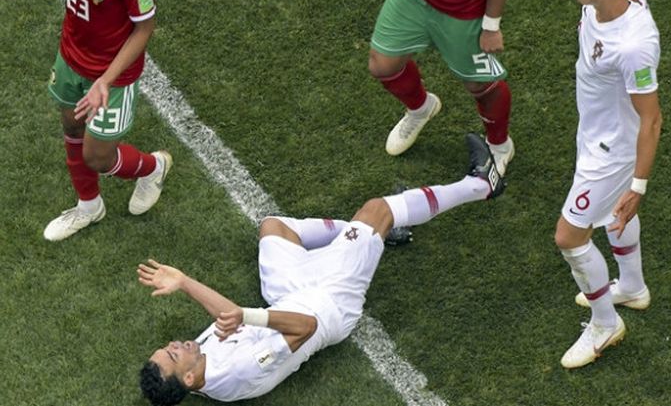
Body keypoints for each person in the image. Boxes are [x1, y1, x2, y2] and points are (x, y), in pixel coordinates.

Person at [137, 133, 504, 405]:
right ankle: (481, 183)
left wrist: (185, 282)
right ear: (186, 377)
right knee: (378, 209)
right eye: (171, 354)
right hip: (327, 306)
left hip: (289, 297)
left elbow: (228, 318)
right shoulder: (240, 373)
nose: (172, 344)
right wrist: (249, 314)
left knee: (273, 227)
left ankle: (368, 234)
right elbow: (305, 327)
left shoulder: (196, 364)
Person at [0, 0, 171, 241]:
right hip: (70, 58)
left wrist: (105, 80)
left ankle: (153, 168)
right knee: (72, 128)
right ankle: (89, 206)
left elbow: (144, 28)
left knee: (98, 158)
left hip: (113, 79)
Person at [555, 0, 662, 369]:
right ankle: (633, 287)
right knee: (615, 217)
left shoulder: (634, 45)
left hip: (612, 151)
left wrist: (637, 185)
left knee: (570, 237)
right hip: (595, 132)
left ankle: (604, 324)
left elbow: (652, 120)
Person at [366, 0, 515, 176]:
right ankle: (421, 109)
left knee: (480, 84)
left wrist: (491, 26)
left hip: (466, 6)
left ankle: (499, 145)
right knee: (382, 64)